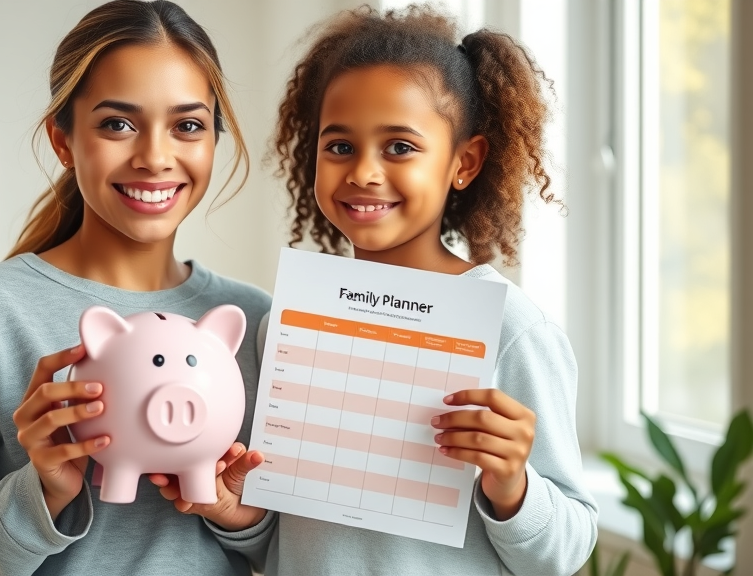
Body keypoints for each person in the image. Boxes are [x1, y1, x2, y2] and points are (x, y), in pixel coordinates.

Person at [0, 2, 273, 574]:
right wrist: (40, 492)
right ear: (63, 141)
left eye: (187, 125)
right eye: (118, 124)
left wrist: (239, 515)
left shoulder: (255, 321)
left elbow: (299, 550)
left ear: (214, 140)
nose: (155, 157)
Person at [254, 5, 598, 575]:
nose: (363, 171)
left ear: (464, 162)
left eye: (399, 147)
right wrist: (231, 511)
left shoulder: (512, 329)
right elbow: (277, 542)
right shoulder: (287, 324)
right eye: (339, 146)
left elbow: (565, 552)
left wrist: (512, 483)